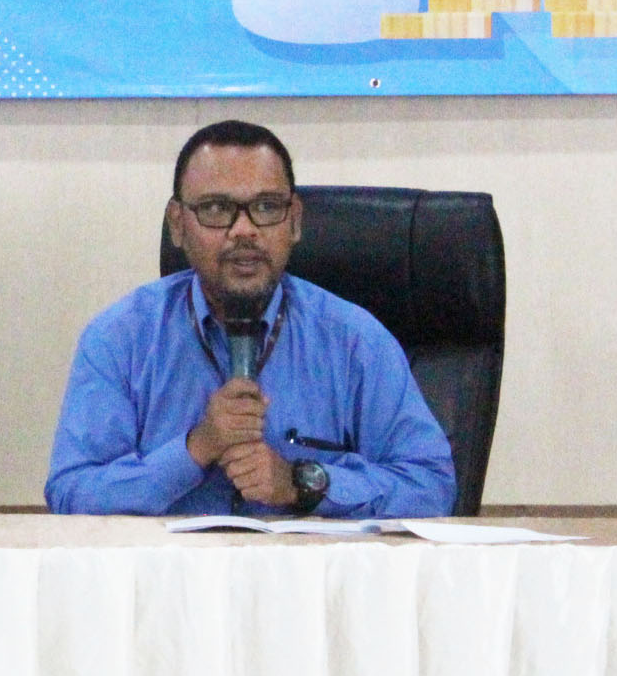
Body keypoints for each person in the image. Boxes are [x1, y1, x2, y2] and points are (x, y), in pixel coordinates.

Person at [46, 120, 456, 519]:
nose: (244, 230)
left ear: (294, 220)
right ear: (177, 224)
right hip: (167, 565)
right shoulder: (121, 338)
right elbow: (71, 490)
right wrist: (195, 449)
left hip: (309, 566)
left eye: (266, 207)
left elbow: (431, 486)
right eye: (216, 208)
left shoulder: (354, 341)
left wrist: (301, 483)